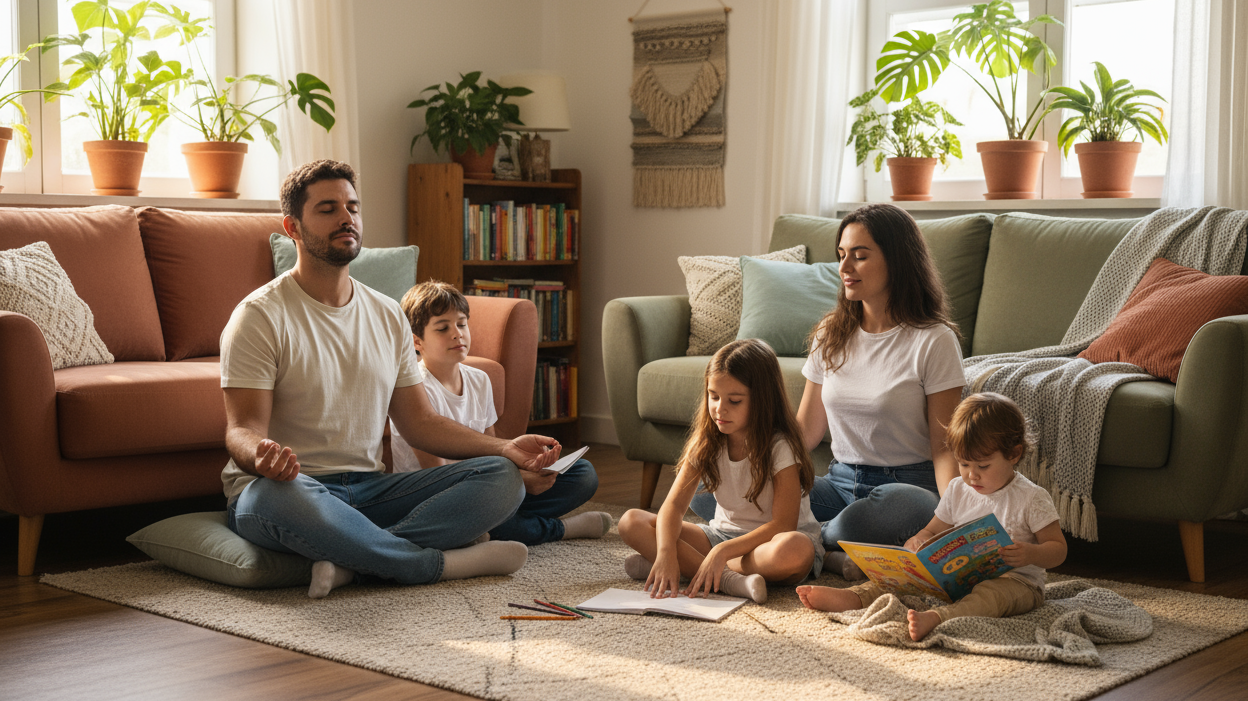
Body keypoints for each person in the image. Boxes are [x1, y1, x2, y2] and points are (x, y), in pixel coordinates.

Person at [221, 160, 561, 600]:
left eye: (353, 207)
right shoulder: (259, 316)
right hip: (294, 489)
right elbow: (241, 429)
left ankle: (354, 562)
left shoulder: (386, 314)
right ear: (293, 227)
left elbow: (420, 423)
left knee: (501, 478)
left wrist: (504, 448)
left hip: (370, 490)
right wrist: (262, 455)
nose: (346, 218)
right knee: (269, 498)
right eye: (327, 209)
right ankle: (431, 564)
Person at [693, 204, 966, 580]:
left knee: (910, 507)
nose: (845, 267)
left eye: (860, 256)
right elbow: (804, 431)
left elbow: (945, 445)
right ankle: (823, 547)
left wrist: (952, 513)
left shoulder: (935, 340)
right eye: (841, 255)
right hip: (837, 484)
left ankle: (809, 539)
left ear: (897, 260)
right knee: (705, 492)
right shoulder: (831, 333)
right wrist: (745, 472)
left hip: (902, 486)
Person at [796, 393, 1067, 641]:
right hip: (961, 578)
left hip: (1018, 583)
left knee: (991, 597)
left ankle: (938, 617)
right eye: (963, 464)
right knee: (903, 577)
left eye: (983, 466)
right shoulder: (959, 489)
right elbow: (933, 529)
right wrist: (918, 540)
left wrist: (1030, 553)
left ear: (1014, 454)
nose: (972, 475)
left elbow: (1058, 550)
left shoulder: (1031, 497)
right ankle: (854, 597)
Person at [391, 280, 611, 543]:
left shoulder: (479, 380)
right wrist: (512, 483)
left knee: (583, 474)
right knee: (491, 521)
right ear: (417, 341)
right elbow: (439, 477)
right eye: (442, 328)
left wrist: (524, 473)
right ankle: (562, 529)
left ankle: (494, 523)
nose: (457, 334)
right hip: (437, 496)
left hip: (484, 487)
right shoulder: (416, 389)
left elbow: (491, 449)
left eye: (461, 324)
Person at [617, 339, 824, 604]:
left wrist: (722, 553)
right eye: (713, 396)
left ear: (762, 400)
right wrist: (667, 551)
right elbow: (673, 507)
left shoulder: (780, 446)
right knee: (631, 522)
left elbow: (783, 525)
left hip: (769, 544)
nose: (719, 409)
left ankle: (695, 567)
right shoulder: (707, 441)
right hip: (720, 537)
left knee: (792, 551)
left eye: (734, 401)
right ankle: (727, 580)